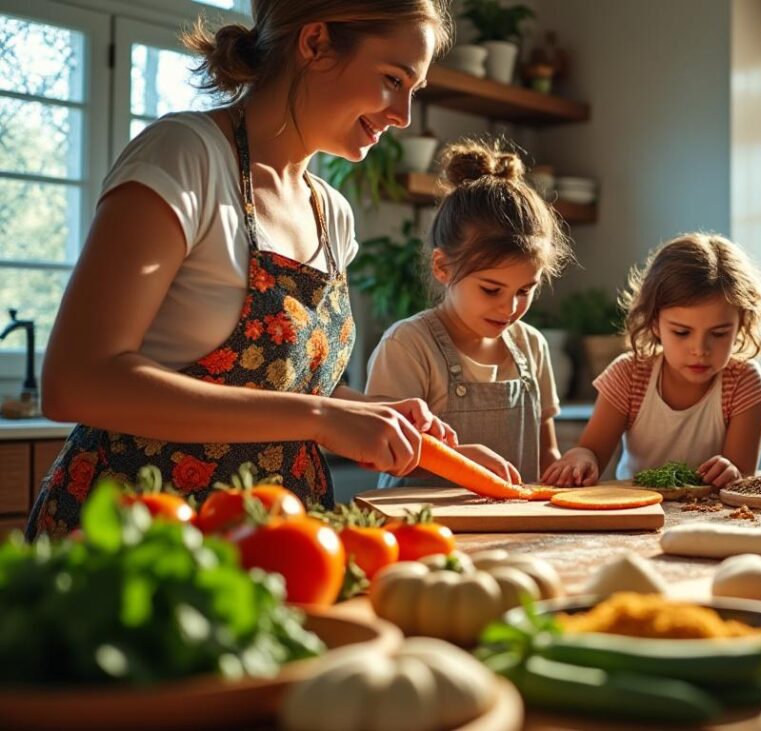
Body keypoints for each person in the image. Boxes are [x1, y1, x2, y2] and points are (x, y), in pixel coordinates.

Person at [26, 0, 457, 539]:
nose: (403, 116)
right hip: (135, 543)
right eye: (393, 79)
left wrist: (383, 417)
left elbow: (289, 388)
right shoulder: (185, 156)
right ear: (316, 43)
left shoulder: (331, 212)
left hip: (278, 544)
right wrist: (321, 419)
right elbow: (76, 382)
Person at [364, 140, 573, 487]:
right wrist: (457, 459)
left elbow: (546, 455)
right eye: (491, 289)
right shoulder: (408, 346)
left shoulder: (532, 346)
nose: (510, 308)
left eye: (525, 290)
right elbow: (382, 448)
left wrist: (568, 473)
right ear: (443, 267)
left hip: (516, 534)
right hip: (425, 528)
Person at [542, 233, 761, 488]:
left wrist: (733, 472)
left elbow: (742, 474)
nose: (700, 349)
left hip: (710, 513)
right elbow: (591, 451)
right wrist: (580, 458)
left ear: (741, 323)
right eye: (681, 332)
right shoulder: (630, 375)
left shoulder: (744, 382)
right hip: (637, 508)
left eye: (719, 334)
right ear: (655, 322)